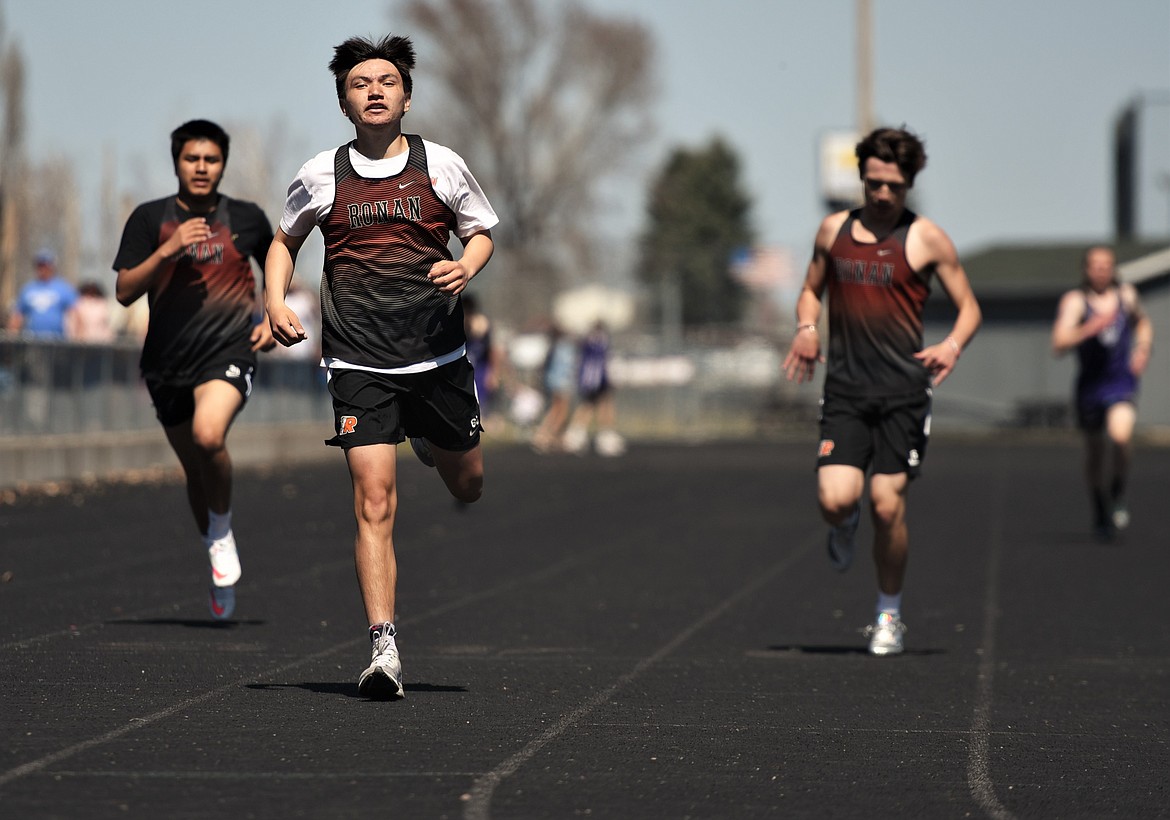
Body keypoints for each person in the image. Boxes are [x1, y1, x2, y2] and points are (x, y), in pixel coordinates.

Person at [264, 34, 497, 700]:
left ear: (406, 95)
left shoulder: (440, 165)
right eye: (360, 82)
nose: (373, 90)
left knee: (469, 485)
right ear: (344, 100)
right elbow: (284, 242)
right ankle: (383, 646)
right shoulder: (320, 174)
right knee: (374, 500)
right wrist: (274, 297)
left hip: (438, 357)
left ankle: (431, 435)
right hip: (357, 359)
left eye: (386, 81)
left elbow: (480, 230)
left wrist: (467, 263)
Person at [782, 126, 981, 657]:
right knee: (835, 499)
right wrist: (806, 329)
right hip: (846, 390)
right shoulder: (833, 231)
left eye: (894, 185)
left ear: (910, 183)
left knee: (887, 506)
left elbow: (970, 308)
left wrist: (953, 346)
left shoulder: (927, 239)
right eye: (873, 183)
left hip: (903, 394)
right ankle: (843, 526)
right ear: (862, 178)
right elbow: (809, 290)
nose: (883, 195)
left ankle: (888, 614)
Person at [113, 119, 275, 622]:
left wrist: (273, 313)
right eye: (192, 159)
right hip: (167, 362)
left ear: (222, 163)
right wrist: (167, 250)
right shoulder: (149, 218)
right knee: (194, 470)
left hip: (227, 349)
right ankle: (214, 550)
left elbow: (278, 264)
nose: (201, 168)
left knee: (209, 438)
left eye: (211, 159)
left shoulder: (246, 218)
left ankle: (221, 532)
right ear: (177, 162)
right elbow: (123, 291)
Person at [1051, 246, 1154, 539]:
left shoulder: (1126, 296)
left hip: (1120, 381)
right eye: (1095, 265)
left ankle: (1117, 492)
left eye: (1106, 265)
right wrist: (1088, 329)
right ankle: (1099, 506)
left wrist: (1143, 348)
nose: (1101, 270)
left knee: (1120, 437)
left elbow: (1142, 322)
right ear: (1086, 268)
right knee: (1095, 452)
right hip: (1091, 386)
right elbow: (1058, 343)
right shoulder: (1076, 302)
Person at [563, 320, 625, 456]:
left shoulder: (587, 341)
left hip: (589, 380)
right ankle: (603, 436)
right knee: (601, 405)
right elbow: (602, 361)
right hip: (597, 380)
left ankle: (577, 434)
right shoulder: (599, 341)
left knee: (590, 406)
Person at [7, 249, 78, 337]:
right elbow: (17, 316)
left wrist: (75, 337)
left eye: (46, 265)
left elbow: (74, 314)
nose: (43, 268)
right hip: (32, 339)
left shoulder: (63, 288)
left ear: (52, 266)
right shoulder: (28, 289)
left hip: (57, 340)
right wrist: (11, 336)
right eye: (40, 265)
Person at [531, 322, 576, 453]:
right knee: (561, 411)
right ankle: (544, 435)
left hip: (552, 381)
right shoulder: (565, 347)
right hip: (562, 382)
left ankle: (555, 437)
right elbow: (569, 367)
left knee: (555, 409)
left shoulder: (553, 346)